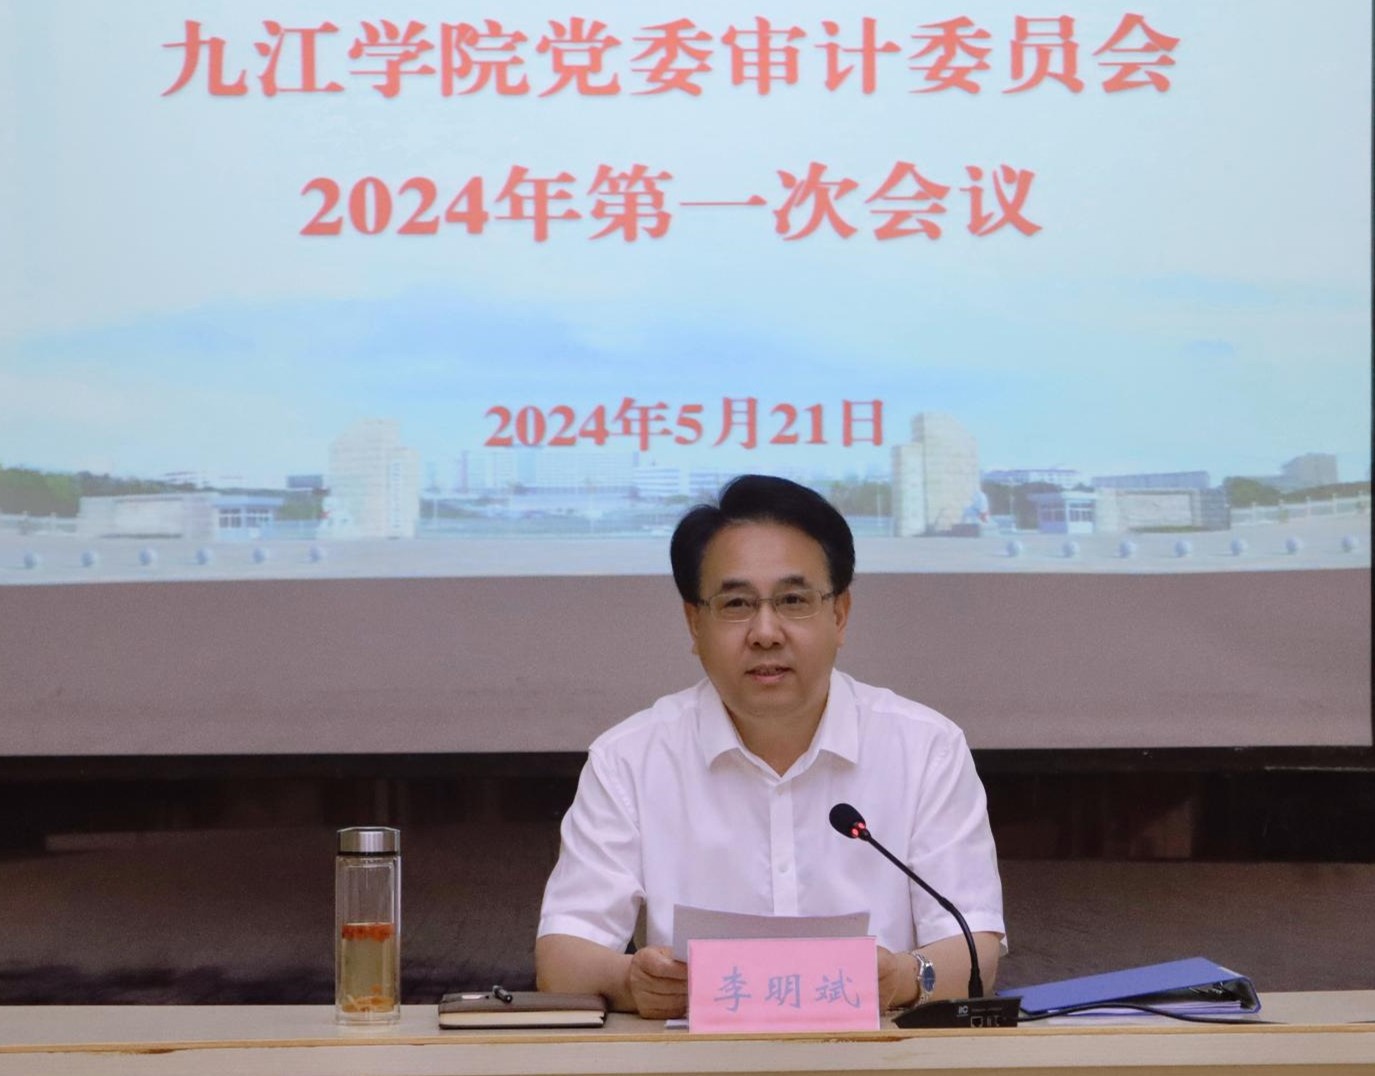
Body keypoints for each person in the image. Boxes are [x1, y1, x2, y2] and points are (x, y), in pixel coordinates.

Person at [536, 475, 1004, 1018]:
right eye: (736, 603)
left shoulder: (926, 749)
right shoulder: (629, 759)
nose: (765, 632)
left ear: (839, 615)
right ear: (694, 623)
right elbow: (561, 957)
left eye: (793, 601)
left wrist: (901, 978)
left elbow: (975, 949)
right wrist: (631, 981)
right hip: (694, 1058)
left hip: (877, 1054)